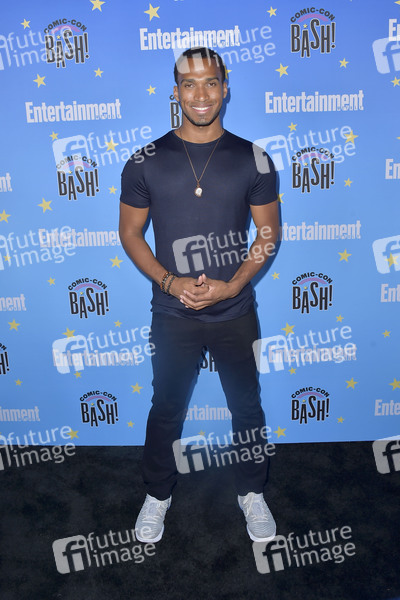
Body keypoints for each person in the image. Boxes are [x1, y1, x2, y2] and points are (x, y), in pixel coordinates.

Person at [119, 46, 279, 544]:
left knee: (246, 407)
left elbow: (268, 234)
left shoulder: (254, 157)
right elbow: (130, 233)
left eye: (211, 82)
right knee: (166, 407)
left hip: (235, 310)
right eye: (190, 84)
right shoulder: (145, 161)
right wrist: (170, 282)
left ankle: (252, 492)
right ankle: (157, 495)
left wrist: (233, 285)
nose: (201, 94)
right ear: (176, 92)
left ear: (225, 88)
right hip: (173, 311)